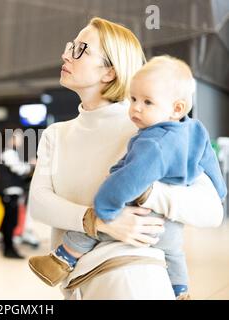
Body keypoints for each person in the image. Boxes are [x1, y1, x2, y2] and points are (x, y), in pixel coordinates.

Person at [28, 17, 224, 300]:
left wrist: (146, 194)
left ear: (109, 71)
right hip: (78, 284)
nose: (65, 54)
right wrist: (98, 221)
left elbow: (211, 210)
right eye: (71, 46)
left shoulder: (152, 128)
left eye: (80, 49)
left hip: (133, 278)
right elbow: (39, 204)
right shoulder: (55, 135)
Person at [0, 131, 32, 259]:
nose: (21, 139)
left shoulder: (9, 152)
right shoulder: (9, 153)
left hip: (12, 192)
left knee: (10, 222)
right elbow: (19, 169)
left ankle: (9, 248)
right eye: (19, 136)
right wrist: (31, 165)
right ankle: (9, 249)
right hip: (10, 192)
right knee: (10, 222)